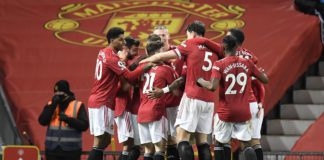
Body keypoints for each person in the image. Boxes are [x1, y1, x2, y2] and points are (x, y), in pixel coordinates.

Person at [141, 21, 222, 160]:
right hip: (208, 99)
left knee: (181, 138)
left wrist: (143, 62)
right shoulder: (216, 49)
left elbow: (161, 57)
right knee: (202, 141)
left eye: (188, 34)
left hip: (190, 97)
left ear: (193, 33)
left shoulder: (187, 46)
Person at [196, 35, 268, 160]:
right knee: (246, 145)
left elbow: (212, 86)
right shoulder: (248, 63)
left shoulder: (219, 64)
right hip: (243, 112)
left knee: (219, 142)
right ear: (236, 47)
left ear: (223, 47)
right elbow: (265, 79)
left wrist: (200, 80)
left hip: (226, 111)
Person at [87, 27, 153, 160]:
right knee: (100, 140)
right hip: (103, 101)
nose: (123, 43)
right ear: (112, 40)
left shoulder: (103, 52)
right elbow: (128, 75)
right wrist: (144, 67)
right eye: (120, 40)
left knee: (103, 141)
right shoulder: (112, 58)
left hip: (97, 99)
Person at [227, 28, 266, 160]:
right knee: (254, 141)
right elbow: (259, 83)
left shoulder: (226, 55)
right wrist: (261, 103)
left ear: (233, 40)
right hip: (252, 103)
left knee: (224, 140)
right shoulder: (250, 57)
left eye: (227, 37)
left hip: (234, 104)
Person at [137, 40, 177, 160]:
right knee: (160, 149)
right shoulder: (166, 69)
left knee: (148, 150)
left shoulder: (141, 67)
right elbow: (175, 92)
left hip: (142, 111)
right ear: (158, 53)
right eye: (163, 51)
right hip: (156, 111)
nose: (165, 53)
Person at [38, 80, 89, 160]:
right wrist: (53, 105)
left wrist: (68, 120)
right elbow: (42, 121)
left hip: (71, 150)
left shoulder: (77, 105)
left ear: (66, 93)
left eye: (60, 94)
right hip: (52, 150)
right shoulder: (51, 104)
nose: (58, 96)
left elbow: (84, 125)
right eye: (56, 94)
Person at [114, 36, 142, 160]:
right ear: (126, 48)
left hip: (129, 108)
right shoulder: (119, 62)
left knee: (135, 145)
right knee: (128, 143)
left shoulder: (128, 61)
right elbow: (123, 88)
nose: (136, 54)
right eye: (134, 51)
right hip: (123, 107)